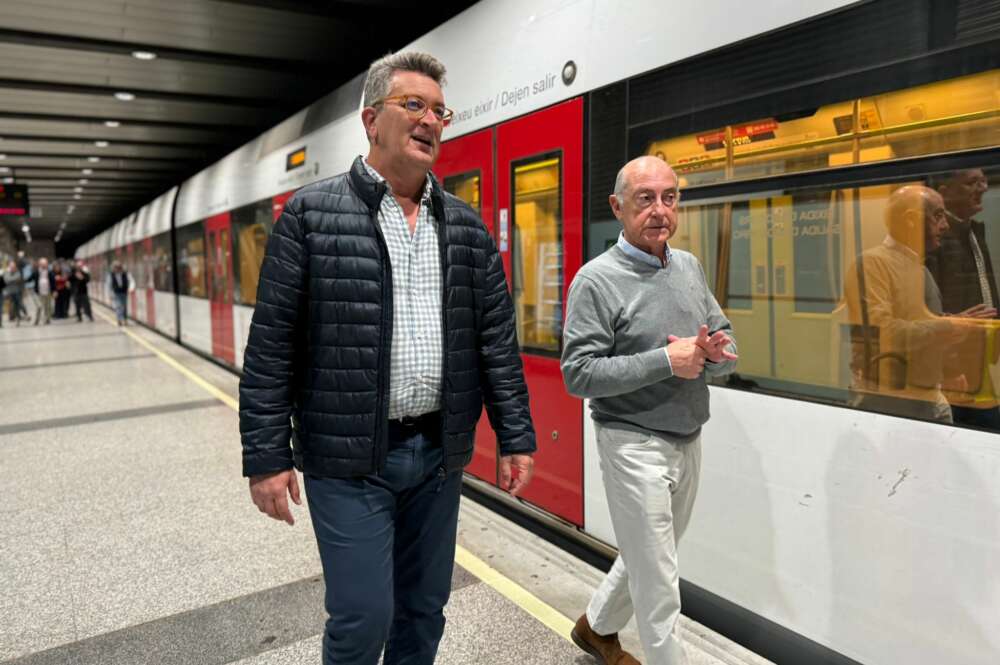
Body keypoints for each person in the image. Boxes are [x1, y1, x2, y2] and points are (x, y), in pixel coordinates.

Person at [239, 51, 537, 665]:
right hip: (347, 458)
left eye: (439, 110)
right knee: (363, 614)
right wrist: (266, 457)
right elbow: (271, 345)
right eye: (414, 105)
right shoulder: (310, 217)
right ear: (371, 120)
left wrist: (516, 436)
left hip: (436, 456)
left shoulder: (464, 226)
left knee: (425, 609)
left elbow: (495, 342)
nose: (430, 120)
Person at [562, 156, 737, 665]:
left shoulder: (687, 267)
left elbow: (718, 328)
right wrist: (666, 360)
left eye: (670, 197)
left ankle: (596, 628)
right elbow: (579, 374)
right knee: (660, 583)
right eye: (645, 199)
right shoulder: (594, 281)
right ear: (618, 207)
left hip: (688, 436)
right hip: (631, 442)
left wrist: (721, 351)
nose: (660, 211)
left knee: (652, 555)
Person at [843, 185, 980, 423]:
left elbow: (917, 322)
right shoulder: (872, 264)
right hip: (891, 406)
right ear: (910, 220)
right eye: (938, 216)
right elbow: (881, 332)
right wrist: (948, 325)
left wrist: (955, 324)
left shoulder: (920, 268)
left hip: (924, 398)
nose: (945, 226)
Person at [926, 168, 1000, 429]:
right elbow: (929, 308)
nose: (983, 188)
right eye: (972, 182)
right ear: (944, 193)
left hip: (981, 357)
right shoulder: (935, 241)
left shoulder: (973, 231)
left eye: (983, 181)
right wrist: (951, 363)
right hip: (957, 365)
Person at [28, 257, 55, 325]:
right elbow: (30, 278)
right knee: (39, 306)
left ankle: (47, 319)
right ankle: (37, 319)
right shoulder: (36, 271)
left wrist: (54, 290)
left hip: (48, 291)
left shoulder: (49, 271)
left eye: (45, 264)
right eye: (42, 264)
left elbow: (53, 281)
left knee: (48, 306)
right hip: (39, 292)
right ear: (40, 264)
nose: (43, 265)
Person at [107, 261, 133, 326]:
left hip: (124, 292)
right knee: (119, 306)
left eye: (118, 267)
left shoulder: (126, 274)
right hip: (116, 293)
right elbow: (109, 285)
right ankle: (119, 320)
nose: (117, 269)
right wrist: (110, 294)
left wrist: (130, 289)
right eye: (116, 267)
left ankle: (125, 319)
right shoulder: (111, 275)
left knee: (124, 307)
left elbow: (131, 281)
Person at [3, 260, 26, 326]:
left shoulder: (17, 272)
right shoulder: (7, 272)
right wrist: (13, 279)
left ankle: (19, 318)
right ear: (9, 266)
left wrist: (11, 279)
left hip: (17, 291)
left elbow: (18, 278)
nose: (12, 267)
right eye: (11, 266)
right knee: (11, 305)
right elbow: (6, 280)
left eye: (13, 266)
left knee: (19, 304)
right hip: (9, 291)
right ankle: (12, 317)